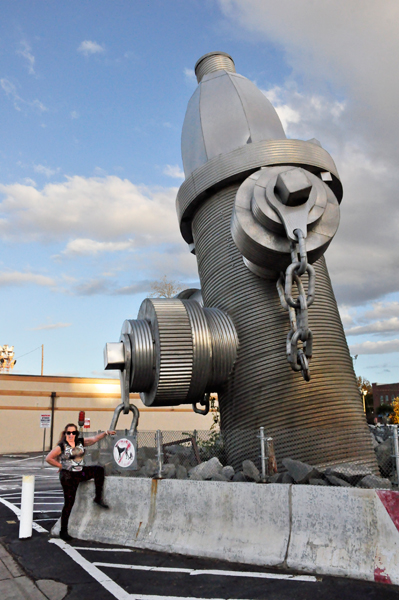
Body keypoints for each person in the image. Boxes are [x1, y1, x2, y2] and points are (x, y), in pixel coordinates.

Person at [46, 423, 116, 541]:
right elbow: (49, 458)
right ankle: (63, 531)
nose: (71, 435)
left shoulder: (80, 442)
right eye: (69, 433)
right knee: (69, 503)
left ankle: (98, 498)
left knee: (98, 470)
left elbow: (93, 440)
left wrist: (105, 433)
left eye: (74, 433)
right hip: (68, 477)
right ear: (66, 433)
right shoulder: (62, 446)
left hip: (79, 473)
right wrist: (62, 466)